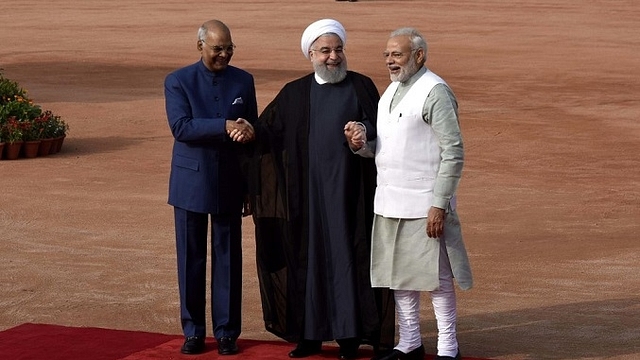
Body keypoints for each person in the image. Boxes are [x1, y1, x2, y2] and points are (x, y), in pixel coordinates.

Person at [249, 18, 395, 360]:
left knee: (346, 259)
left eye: (338, 49)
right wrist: (248, 130)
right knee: (308, 260)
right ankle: (309, 336)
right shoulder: (294, 93)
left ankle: (348, 337)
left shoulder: (361, 86)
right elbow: (268, 132)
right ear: (311, 54)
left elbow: (381, 127)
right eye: (326, 50)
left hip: (349, 196)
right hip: (307, 199)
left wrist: (363, 131)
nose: (333, 57)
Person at [345, 27, 473, 360]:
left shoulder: (435, 92)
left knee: (437, 278)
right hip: (389, 201)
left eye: (397, 55)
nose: (390, 61)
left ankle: (448, 347)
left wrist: (439, 204)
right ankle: (410, 342)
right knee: (400, 276)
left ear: (419, 55)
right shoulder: (389, 92)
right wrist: (361, 145)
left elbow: (454, 151)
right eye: (387, 55)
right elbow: (390, 148)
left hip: (424, 203)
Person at [164, 19, 257, 356]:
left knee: (228, 258)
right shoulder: (177, 81)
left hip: (231, 181)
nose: (224, 54)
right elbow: (181, 127)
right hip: (191, 182)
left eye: (229, 48)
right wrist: (224, 125)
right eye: (218, 48)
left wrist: (248, 131)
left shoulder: (243, 80)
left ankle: (227, 332)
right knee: (190, 259)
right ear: (199, 45)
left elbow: (251, 131)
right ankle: (193, 332)